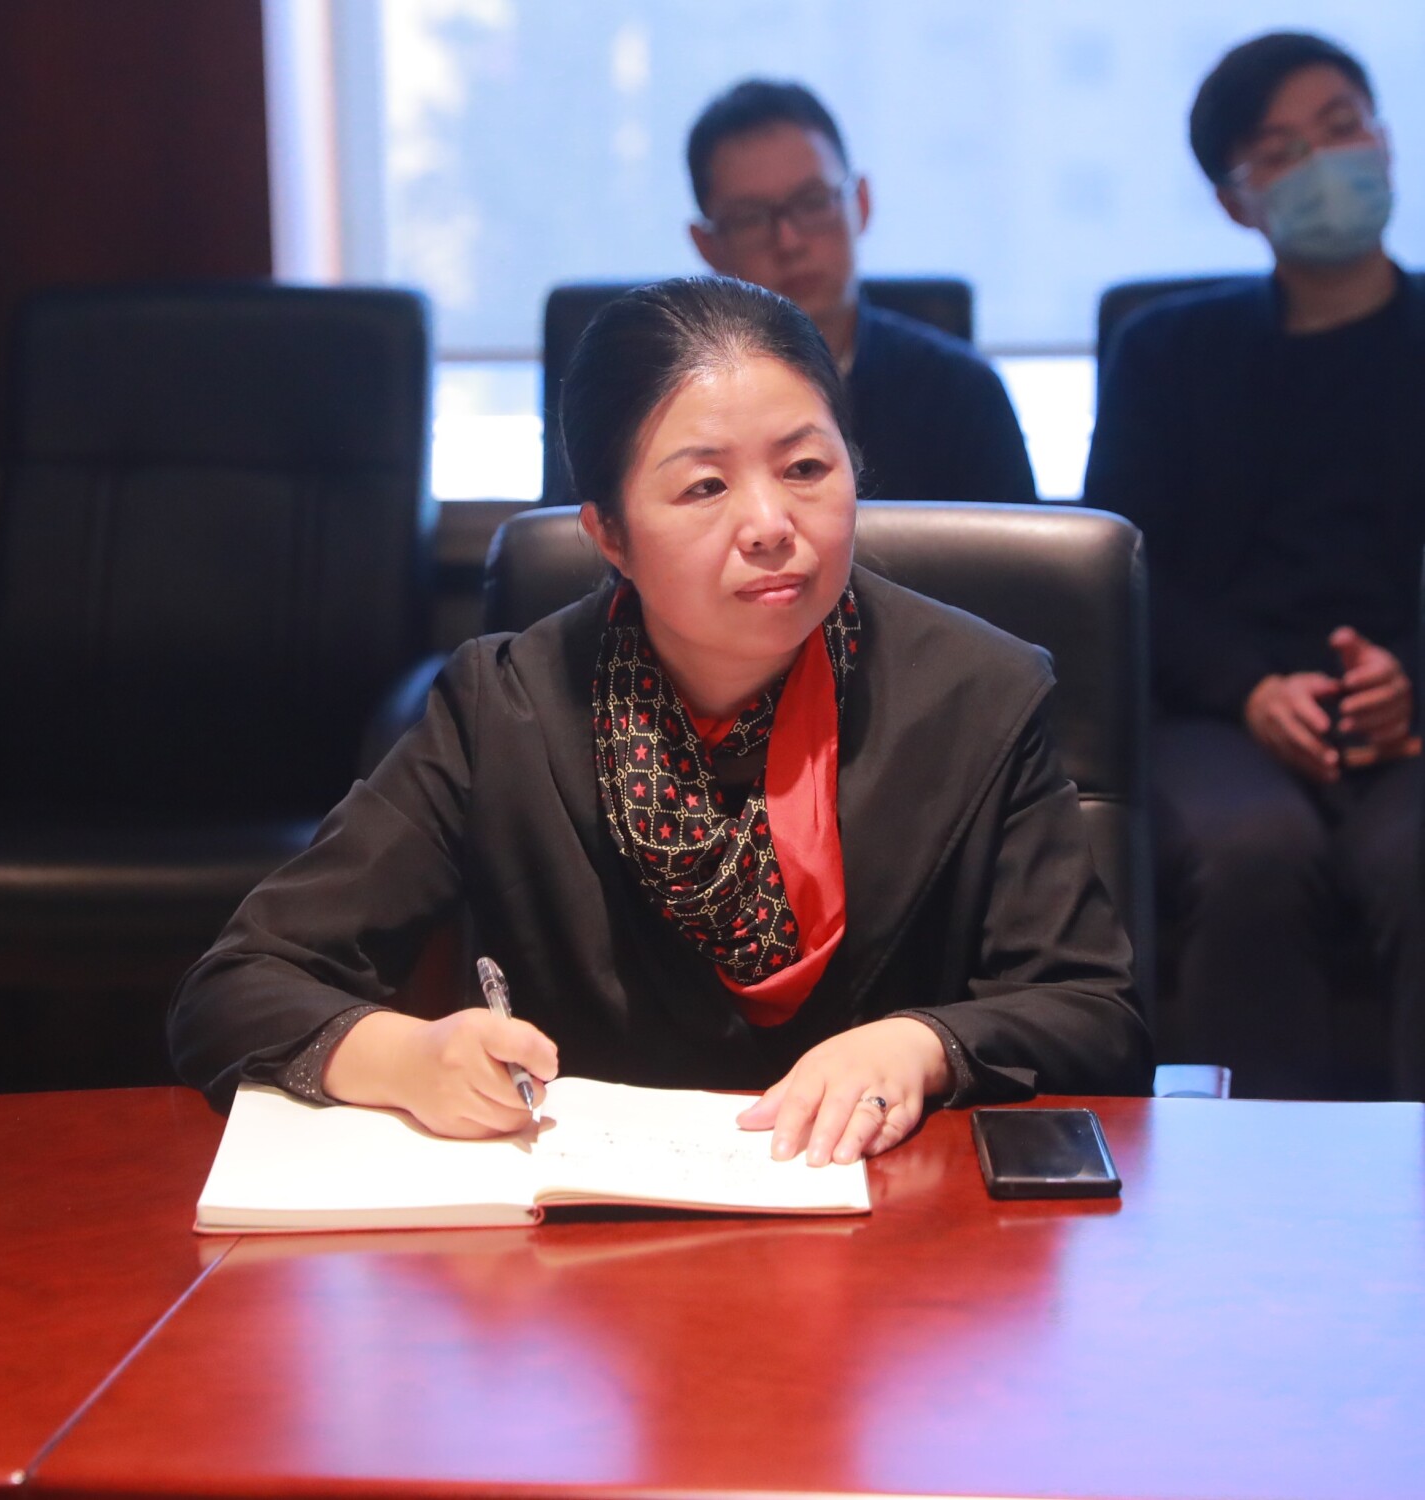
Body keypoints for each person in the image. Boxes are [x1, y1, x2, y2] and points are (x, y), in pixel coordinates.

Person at [171, 277, 1150, 1163]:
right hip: (591, 1248)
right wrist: (404, 1056)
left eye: (806, 467)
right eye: (705, 486)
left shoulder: (979, 692)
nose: (770, 524)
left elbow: (1095, 1015)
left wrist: (923, 1045)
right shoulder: (504, 709)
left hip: (892, 1237)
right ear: (608, 534)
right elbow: (237, 985)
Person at [1083, 31, 1425, 1099]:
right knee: (1252, 852)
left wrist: (1410, 681)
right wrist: (1250, 688)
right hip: (1220, 715)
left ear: (1385, 138)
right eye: (1281, 152)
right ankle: (1251, 1177)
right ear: (1237, 201)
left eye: (1341, 127)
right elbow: (1122, 565)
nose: (1324, 164)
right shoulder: (1167, 351)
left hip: (1408, 715)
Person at [685, 79, 1036, 505]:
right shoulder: (679, 411)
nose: (789, 241)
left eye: (813, 202)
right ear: (707, 245)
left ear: (862, 204)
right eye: (750, 218)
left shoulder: (963, 395)